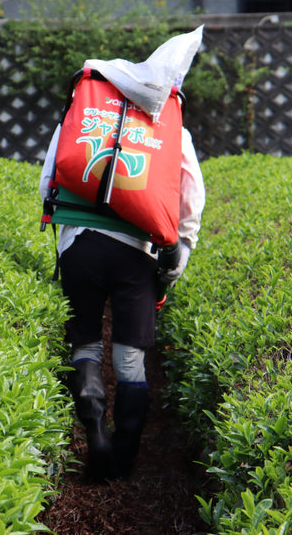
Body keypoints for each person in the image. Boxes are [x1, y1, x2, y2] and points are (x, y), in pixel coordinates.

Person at [39, 90, 205, 482]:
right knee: (130, 359)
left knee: (86, 343)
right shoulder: (171, 125)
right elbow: (190, 192)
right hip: (139, 251)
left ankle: (96, 435)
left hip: (80, 244)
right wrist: (179, 253)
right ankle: (124, 455)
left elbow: (50, 177)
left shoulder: (85, 109)